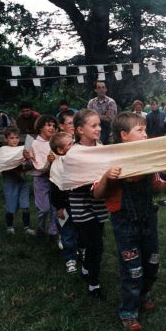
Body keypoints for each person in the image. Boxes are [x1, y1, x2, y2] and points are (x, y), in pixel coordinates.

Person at [93, 112, 166, 331]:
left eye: (145, 129)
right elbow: (97, 193)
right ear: (124, 135)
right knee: (132, 269)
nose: (146, 134)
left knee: (151, 264)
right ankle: (129, 310)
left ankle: (143, 294)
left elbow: (157, 187)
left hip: (148, 222)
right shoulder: (111, 161)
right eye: (140, 130)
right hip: (125, 225)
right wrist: (108, 177)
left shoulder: (147, 158)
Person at [69, 109, 109, 299]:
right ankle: (94, 283)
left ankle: (86, 265)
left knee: (96, 240)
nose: (98, 129)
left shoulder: (101, 147)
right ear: (80, 130)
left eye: (99, 125)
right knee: (96, 245)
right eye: (93, 126)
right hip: (82, 206)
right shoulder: (74, 152)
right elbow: (72, 180)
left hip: (99, 204)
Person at [49, 131, 80, 274]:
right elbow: (55, 189)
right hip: (65, 205)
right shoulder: (56, 166)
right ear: (61, 150)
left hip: (79, 203)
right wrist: (59, 207)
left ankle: (81, 250)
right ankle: (70, 258)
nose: (74, 145)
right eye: (70, 144)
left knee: (81, 230)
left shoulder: (79, 160)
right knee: (67, 232)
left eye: (73, 142)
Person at [27, 115, 58, 239]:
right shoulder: (32, 143)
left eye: (54, 126)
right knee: (44, 208)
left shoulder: (55, 142)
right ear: (40, 127)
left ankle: (53, 231)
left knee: (55, 206)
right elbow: (28, 163)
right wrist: (27, 158)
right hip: (40, 179)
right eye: (49, 125)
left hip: (55, 178)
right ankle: (40, 227)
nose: (52, 128)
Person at [2, 126, 33, 234]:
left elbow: (28, 165)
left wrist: (26, 163)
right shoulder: (3, 151)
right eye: (11, 138)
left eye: (16, 137)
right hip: (10, 182)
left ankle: (26, 227)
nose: (15, 140)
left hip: (22, 181)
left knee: (26, 205)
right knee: (10, 206)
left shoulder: (22, 150)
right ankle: (9, 227)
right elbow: (4, 165)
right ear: (6, 139)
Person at [87, 80, 118, 144]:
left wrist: (95, 115)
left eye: (103, 87)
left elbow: (109, 118)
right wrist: (103, 116)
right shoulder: (91, 102)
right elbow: (88, 117)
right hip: (94, 127)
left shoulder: (111, 102)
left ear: (106, 89)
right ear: (95, 90)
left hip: (108, 129)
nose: (101, 89)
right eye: (99, 88)